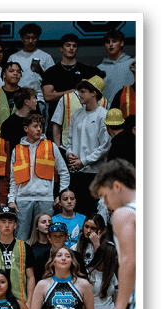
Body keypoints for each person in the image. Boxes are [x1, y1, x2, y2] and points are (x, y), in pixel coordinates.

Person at [89, 159, 136, 309]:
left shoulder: (125, 213)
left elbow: (129, 262)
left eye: (105, 196)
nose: (106, 204)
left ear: (116, 186)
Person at [8, 114, 70, 242]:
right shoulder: (17, 150)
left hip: (45, 199)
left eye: (41, 126)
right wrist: (11, 200)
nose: (39, 130)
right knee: (21, 238)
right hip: (22, 199)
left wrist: (61, 195)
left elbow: (64, 172)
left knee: (46, 238)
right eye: (35, 126)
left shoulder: (51, 146)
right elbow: (13, 179)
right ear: (26, 128)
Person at [41, 33, 104, 140]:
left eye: (74, 46)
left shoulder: (86, 70)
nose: (71, 48)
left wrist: (57, 93)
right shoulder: (51, 72)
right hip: (56, 119)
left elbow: (93, 94)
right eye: (68, 45)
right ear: (61, 48)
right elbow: (47, 96)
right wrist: (71, 92)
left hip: (83, 117)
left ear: (77, 49)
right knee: (56, 152)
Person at [65, 76, 111, 218]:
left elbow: (105, 146)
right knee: (78, 212)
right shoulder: (76, 114)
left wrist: (83, 161)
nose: (79, 94)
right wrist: (69, 154)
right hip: (77, 174)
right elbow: (70, 140)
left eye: (83, 91)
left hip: (95, 174)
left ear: (94, 93)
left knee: (93, 213)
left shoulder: (103, 115)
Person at [7, 23, 55, 126]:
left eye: (33, 38)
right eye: (27, 38)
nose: (30, 41)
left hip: (39, 99)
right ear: (21, 38)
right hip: (17, 99)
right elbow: (7, 80)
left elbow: (52, 80)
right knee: (17, 128)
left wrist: (41, 72)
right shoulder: (13, 58)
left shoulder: (46, 57)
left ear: (37, 39)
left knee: (38, 129)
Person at [97, 30, 135, 103]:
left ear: (122, 43)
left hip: (130, 110)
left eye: (114, 41)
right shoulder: (99, 68)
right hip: (108, 111)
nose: (111, 44)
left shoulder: (133, 63)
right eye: (108, 42)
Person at [0, 87, 39, 153]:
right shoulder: (8, 124)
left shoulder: (35, 121)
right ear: (26, 102)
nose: (36, 101)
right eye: (34, 98)